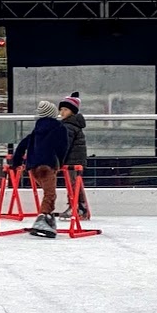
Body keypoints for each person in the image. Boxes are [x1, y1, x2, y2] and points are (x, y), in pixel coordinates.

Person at [10, 100, 70, 238]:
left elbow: (21, 146)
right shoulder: (59, 128)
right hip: (48, 165)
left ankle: (48, 218)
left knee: (47, 192)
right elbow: (62, 147)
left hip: (33, 167)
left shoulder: (36, 130)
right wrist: (60, 163)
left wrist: (16, 163)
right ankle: (43, 219)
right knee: (50, 194)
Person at [58, 91, 90, 220]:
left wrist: (59, 159)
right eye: (61, 109)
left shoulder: (68, 126)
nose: (62, 112)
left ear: (72, 111)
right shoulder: (72, 125)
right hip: (75, 160)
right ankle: (80, 206)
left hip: (72, 161)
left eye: (65, 109)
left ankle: (76, 206)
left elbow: (65, 145)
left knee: (72, 185)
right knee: (75, 184)